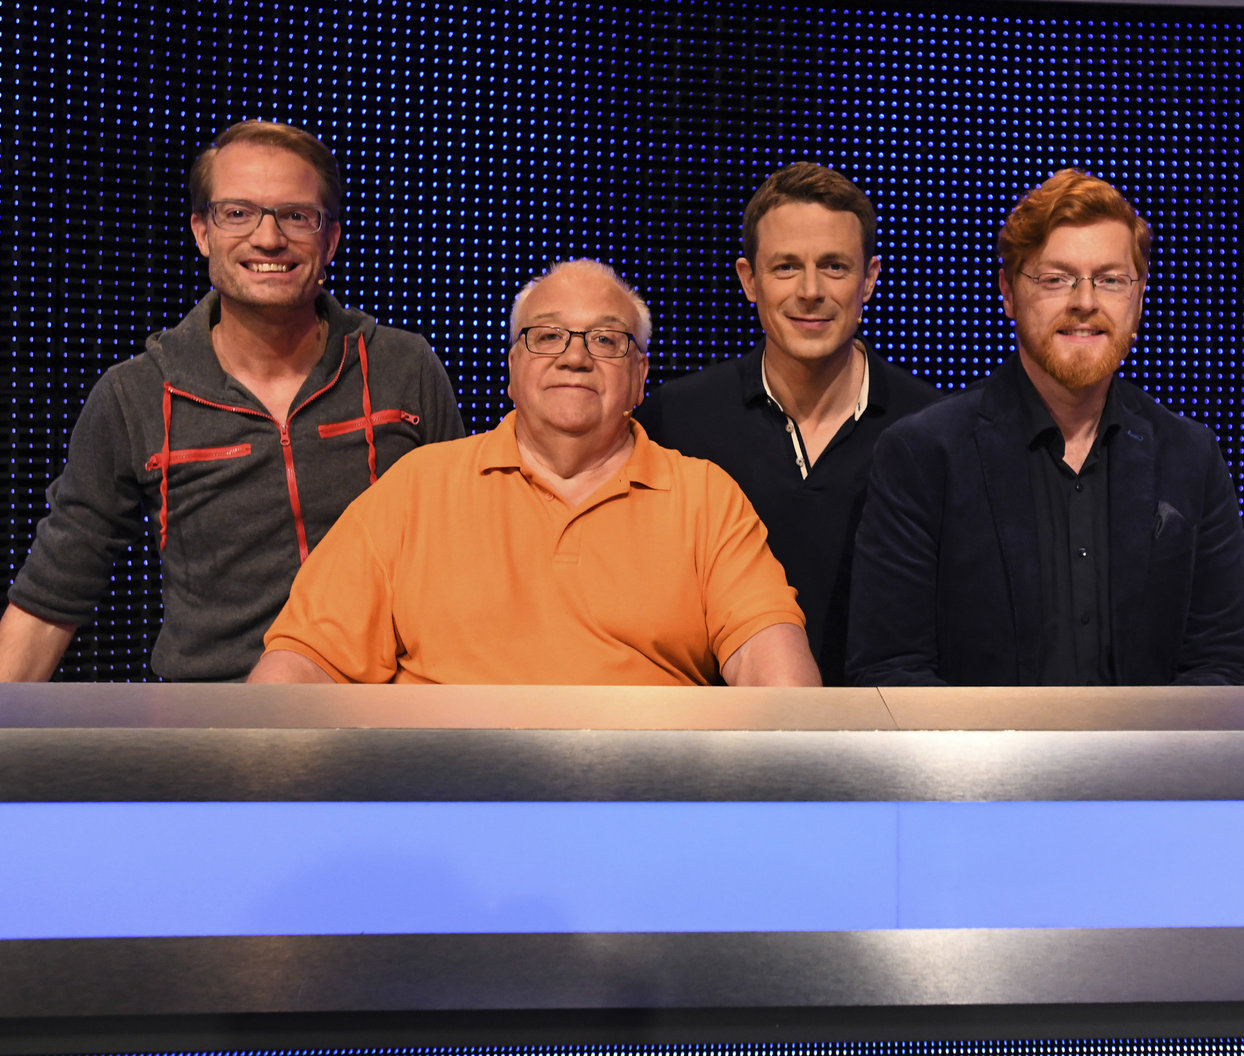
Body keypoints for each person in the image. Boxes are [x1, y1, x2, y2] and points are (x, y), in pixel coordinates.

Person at [0, 120, 464, 682]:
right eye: (238, 213)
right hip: (218, 710)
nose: (268, 239)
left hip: (385, 702)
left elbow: (468, 542)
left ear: (331, 239)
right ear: (202, 232)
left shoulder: (404, 366)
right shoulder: (135, 394)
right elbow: (53, 590)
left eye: (296, 216)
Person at [249, 259, 820, 686]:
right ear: (512, 369)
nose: (575, 357)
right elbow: (305, 661)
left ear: (640, 376)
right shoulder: (416, 487)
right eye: (547, 336)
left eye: (606, 340)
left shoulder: (704, 497)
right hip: (445, 794)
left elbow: (769, 658)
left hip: (640, 796)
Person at [847, 169, 1244, 687]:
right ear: (1008, 291)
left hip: (1152, 745)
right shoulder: (922, 455)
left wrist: (1141, 742)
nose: (1085, 301)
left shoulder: (1189, 456)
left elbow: (1230, 664)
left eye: (1110, 280)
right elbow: (889, 671)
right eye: (1056, 279)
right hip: (978, 744)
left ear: (1138, 298)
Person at [635, 163, 939, 684]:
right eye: (786, 267)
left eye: (835, 266)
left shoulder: (931, 430)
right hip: (717, 726)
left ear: (869, 279)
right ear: (748, 280)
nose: (810, 290)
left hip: (890, 723)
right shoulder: (675, 421)